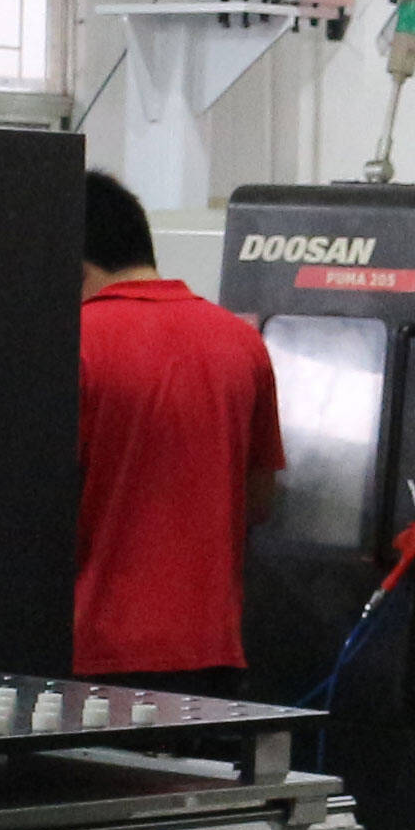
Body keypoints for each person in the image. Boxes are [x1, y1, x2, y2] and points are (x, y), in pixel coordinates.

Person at [73, 167, 281, 689]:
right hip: (213, 654)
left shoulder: (74, 343)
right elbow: (259, 501)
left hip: (97, 653)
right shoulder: (241, 342)